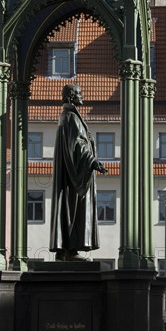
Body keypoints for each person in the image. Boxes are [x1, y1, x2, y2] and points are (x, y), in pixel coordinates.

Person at [49, 84, 107, 261]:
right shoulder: (71, 118)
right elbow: (77, 146)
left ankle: (64, 249)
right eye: (79, 93)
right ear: (71, 97)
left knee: (67, 208)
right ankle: (70, 250)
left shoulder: (66, 117)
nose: (82, 96)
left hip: (69, 175)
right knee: (74, 208)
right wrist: (93, 161)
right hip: (74, 178)